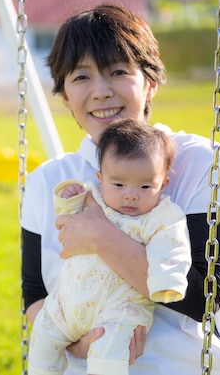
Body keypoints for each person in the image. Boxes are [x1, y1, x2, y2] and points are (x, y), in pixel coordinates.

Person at [20, 3, 220, 375]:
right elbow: (34, 292)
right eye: (81, 78)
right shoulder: (49, 180)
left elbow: (203, 298)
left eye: (118, 72)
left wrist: (99, 236)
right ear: (64, 95)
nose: (100, 91)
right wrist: (79, 345)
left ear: (150, 84)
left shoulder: (201, 162)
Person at [28, 118, 192, 375]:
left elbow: (171, 249)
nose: (130, 194)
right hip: (67, 304)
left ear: (163, 185)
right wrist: (69, 198)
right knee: (42, 339)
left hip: (120, 310)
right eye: (118, 184)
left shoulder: (161, 216)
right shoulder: (94, 198)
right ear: (100, 178)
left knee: (110, 354)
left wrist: (167, 282)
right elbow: (66, 220)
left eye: (145, 186)